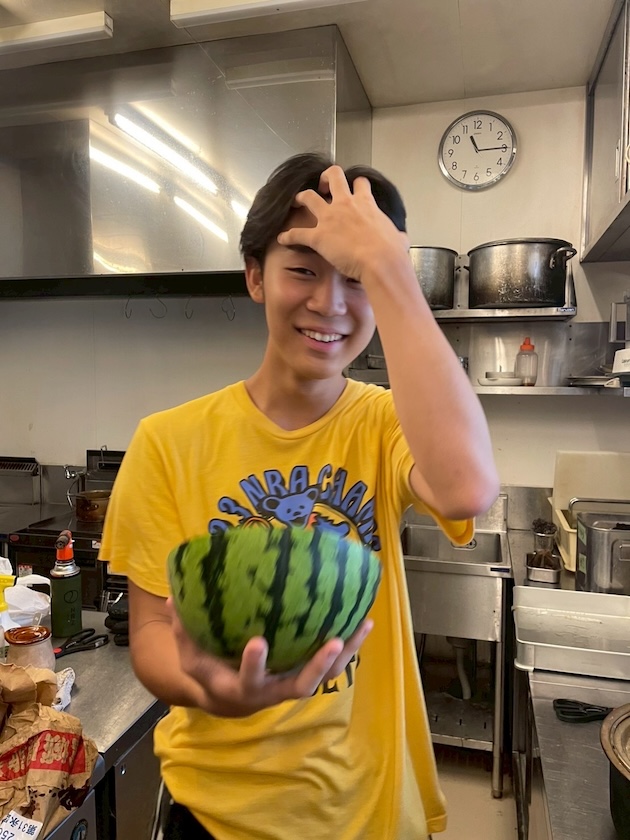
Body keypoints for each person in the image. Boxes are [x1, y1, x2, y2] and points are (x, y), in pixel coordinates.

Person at [99, 152, 499, 840]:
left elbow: (466, 487)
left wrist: (391, 267)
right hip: (215, 813)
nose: (330, 304)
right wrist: (206, 690)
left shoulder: (384, 424)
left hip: (367, 811)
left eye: (357, 277)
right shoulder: (166, 442)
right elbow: (154, 632)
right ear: (255, 275)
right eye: (304, 268)